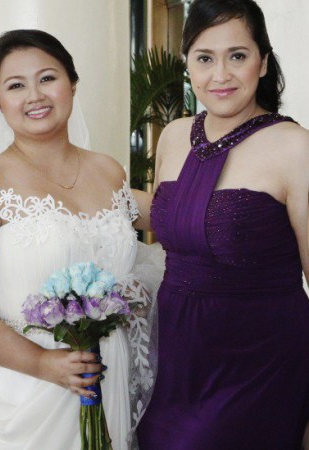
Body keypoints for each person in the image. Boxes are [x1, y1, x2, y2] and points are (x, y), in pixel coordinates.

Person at [0, 29, 155, 449]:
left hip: (107, 372)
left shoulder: (109, 172)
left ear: (72, 84)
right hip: (26, 386)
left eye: (48, 78)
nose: (34, 95)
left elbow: (173, 213)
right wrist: (43, 363)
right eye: (15, 86)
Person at [135, 0, 309, 448]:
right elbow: (172, 218)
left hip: (259, 363)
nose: (221, 75)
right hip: (173, 356)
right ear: (187, 64)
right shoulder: (173, 135)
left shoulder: (295, 148)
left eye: (238, 55)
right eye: (205, 58)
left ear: (263, 62)